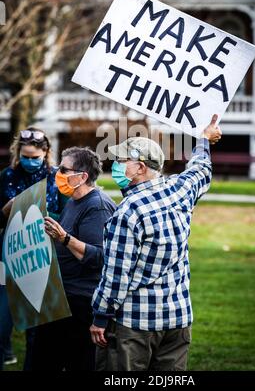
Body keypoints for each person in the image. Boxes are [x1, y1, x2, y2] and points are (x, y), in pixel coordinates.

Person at [90, 114, 222, 371]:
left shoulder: (127, 213)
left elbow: (116, 277)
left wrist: (100, 317)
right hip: (178, 319)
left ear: (140, 168)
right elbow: (201, 169)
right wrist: (204, 140)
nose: (115, 165)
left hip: (135, 325)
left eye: (121, 160)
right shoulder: (179, 190)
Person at [31, 146, 116, 371]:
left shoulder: (97, 207)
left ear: (82, 176)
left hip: (80, 304)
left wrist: (64, 237)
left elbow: (100, 257)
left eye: (64, 169)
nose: (58, 173)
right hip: (60, 297)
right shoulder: (74, 200)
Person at [0, 127, 67, 371]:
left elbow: (68, 217)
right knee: (1, 325)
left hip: (42, 261)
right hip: (8, 260)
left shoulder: (57, 178)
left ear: (46, 152)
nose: (29, 161)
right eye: (25, 156)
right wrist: (5, 212)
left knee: (37, 334)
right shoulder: (6, 176)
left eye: (34, 157)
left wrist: (44, 215)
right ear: (18, 152)